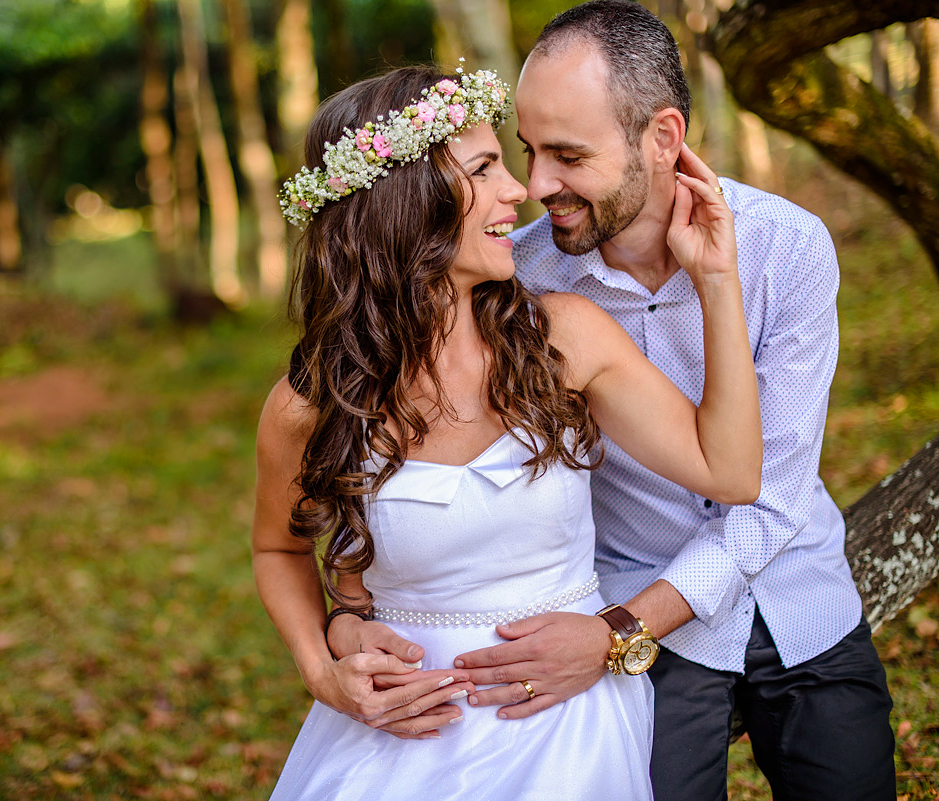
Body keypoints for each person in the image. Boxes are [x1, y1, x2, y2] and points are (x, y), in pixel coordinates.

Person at [329, 3, 898, 800]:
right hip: (640, 616)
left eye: (567, 155)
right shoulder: (516, 280)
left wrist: (614, 631)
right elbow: (392, 442)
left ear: (663, 137)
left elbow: (766, 496)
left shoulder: (787, 246)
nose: (536, 186)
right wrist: (346, 622)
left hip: (798, 597)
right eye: (528, 151)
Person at [253, 62, 760, 800]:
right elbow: (278, 548)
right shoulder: (312, 402)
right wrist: (324, 669)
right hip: (399, 740)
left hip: (567, 734)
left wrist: (716, 279)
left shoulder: (565, 338)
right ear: (407, 202)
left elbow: (732, 472)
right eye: (485, 168)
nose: (519, 191)